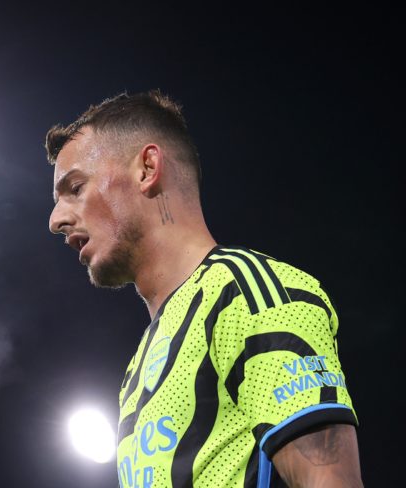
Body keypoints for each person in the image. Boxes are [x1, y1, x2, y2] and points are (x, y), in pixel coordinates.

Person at [45, 91, 362, 488]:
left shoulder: (248, 295)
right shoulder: (137, 368)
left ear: (147, 168)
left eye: (75, 187)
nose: (56, 219)